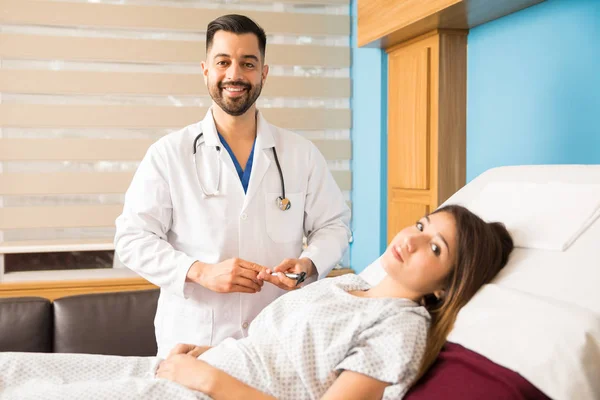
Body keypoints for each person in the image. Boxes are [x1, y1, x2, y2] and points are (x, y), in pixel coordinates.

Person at [0, 205, 513, 400]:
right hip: (186, 372)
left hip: (207, 393)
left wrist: (208, 379)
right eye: (423, 225)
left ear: (446, 285)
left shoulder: (400, 327)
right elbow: (271, 350)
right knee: (17, 374)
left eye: (436, 247)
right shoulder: (347, 284)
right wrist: (203, 358)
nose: (414, 239)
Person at [114, 14, 351, 358]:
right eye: (223, 62)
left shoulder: (301, 154)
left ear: (264, 73)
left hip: (274, 342)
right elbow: (131, 238)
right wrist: (199, 272)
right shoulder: (169, 154)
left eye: (248, 63)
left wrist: (309, 264)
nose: (235, 75)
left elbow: (334, 225)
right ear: (205, 69)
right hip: (193, 342)